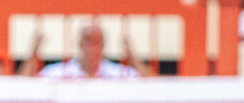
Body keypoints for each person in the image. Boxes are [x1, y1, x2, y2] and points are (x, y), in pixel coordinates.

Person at [20, 23, 148, 78]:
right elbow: (24, 82)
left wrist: (132, 56)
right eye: (88, 40)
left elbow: (152, 82)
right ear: (80, 44)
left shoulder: (116, 73)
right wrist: (34, 51)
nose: (92, 46)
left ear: (103, 46)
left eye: (97, 41)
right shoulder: (62, 72)